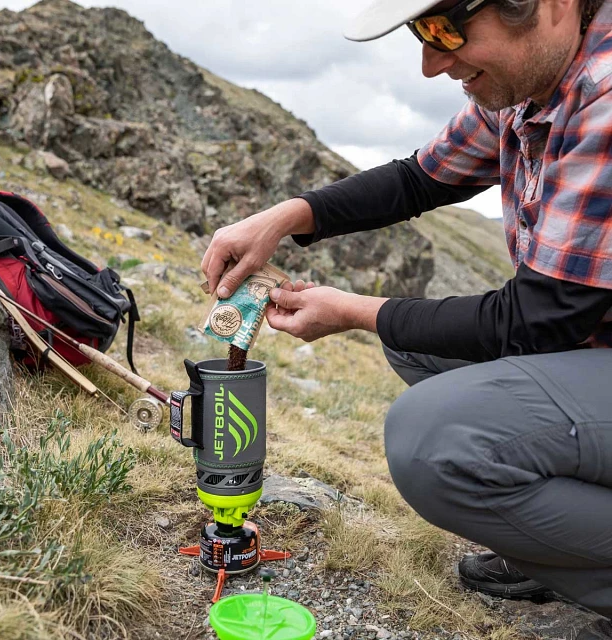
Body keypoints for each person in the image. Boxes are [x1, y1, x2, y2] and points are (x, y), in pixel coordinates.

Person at [201, 0, 612, 636]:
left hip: (577, 338)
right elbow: (420, 180)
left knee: (434, 439)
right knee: (419, 347)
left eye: (447, 29)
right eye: (423, 32)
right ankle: (563, 547)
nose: (429, 64)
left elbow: (540, 318)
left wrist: (352, 312)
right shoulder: (528, 85)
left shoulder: (605, 95)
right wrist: (283, 218)